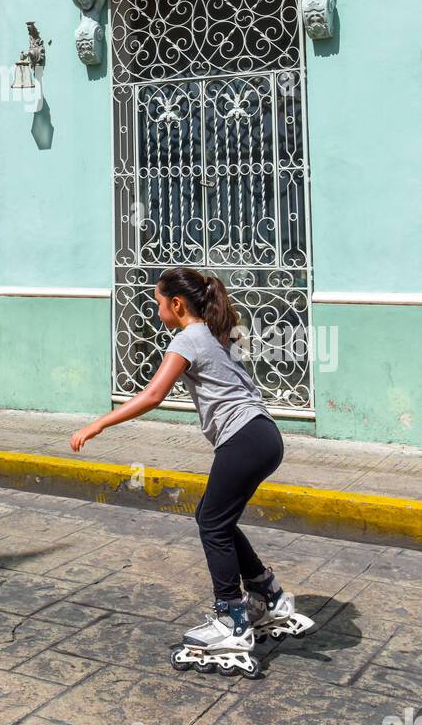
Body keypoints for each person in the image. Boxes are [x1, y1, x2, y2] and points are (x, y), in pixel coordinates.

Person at [70, 266, 292, 662]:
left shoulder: (188, 338)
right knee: (214, 517)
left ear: (176, 304)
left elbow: (154, 394)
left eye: (158, 303)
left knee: (212, 523)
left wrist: (99, 422)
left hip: (243, 438)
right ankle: (266, 592)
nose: (157, 312)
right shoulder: (215, 331)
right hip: (265, 435)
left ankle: (231, 619)